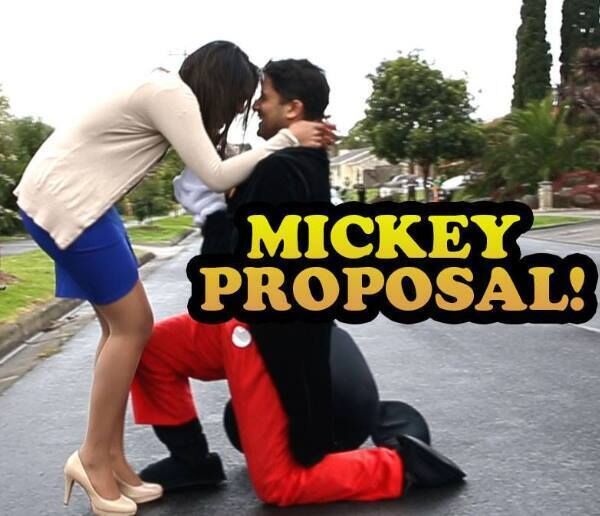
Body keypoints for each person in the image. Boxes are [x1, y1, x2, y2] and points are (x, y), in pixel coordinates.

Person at [13, 42, 333, 516]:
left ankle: (112, 458)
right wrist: (287, 138)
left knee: (120, 330)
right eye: (241, 97)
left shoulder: (166, 93)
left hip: (86, 203)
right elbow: (215, 174)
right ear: (222, 85)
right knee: (134, 328)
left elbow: (211, 171)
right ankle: (93, 458)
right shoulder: (171, 94)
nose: (242, 109)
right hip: (70, 202)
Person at [131, 59, 465, 507]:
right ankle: (191, 461)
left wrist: (213, 216)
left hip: (260, 333)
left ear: (293, 108)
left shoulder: (282, 170)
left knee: (281, 485)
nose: (256, 107)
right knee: (151, 347)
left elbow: (226, 269)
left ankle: (401, 465)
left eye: (264, 98)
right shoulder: (285, 162)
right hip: (239, 323)